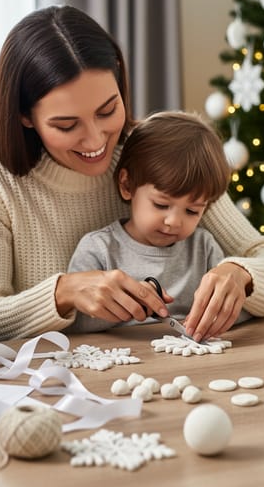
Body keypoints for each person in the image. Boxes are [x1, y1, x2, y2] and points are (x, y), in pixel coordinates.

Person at [0, 5, 264, 345]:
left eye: (107, 110)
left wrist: (241, 275)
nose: (96, 140)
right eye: (67, 124)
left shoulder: (153, 153)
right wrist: (64, 293)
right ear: (25, 115)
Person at [66, 110, 250, 335]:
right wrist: (123, 307)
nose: (174, 221)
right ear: (126, 185)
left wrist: (225, 308)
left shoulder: (204, 247)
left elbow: (234, 311)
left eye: (192, 211)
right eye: (161, 205)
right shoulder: (98, 249)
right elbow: (76, 325)